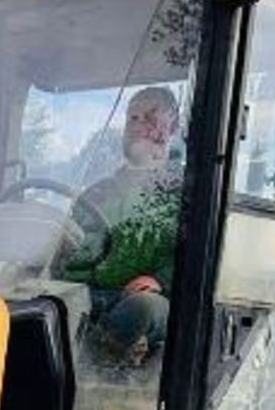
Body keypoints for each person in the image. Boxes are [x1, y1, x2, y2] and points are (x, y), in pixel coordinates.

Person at [61, 85, 185, 368]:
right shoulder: (97, 193)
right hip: (92, 295)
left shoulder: (185, 193)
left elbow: (198, 253)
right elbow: (70, 251)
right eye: (134, 118)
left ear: (173, 128)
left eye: (151, 119)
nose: (139, 126)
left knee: (141, 309)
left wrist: (162, 281)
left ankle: (89, 374)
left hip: (153, 302)